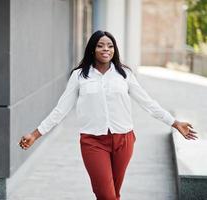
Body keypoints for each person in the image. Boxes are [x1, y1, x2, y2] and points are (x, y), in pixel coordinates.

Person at [18, 30, 197, 200]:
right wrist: (35, 134)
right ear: (92, 49)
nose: (106, 49)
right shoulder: (79, 76)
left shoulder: (124, 74)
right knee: (107, 195)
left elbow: (147, 102)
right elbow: (61, 110)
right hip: (93, 142)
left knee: (114, 194)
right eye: (100, 45)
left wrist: (175, 123)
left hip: (124, 140)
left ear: (114, 49)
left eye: (110, 46)